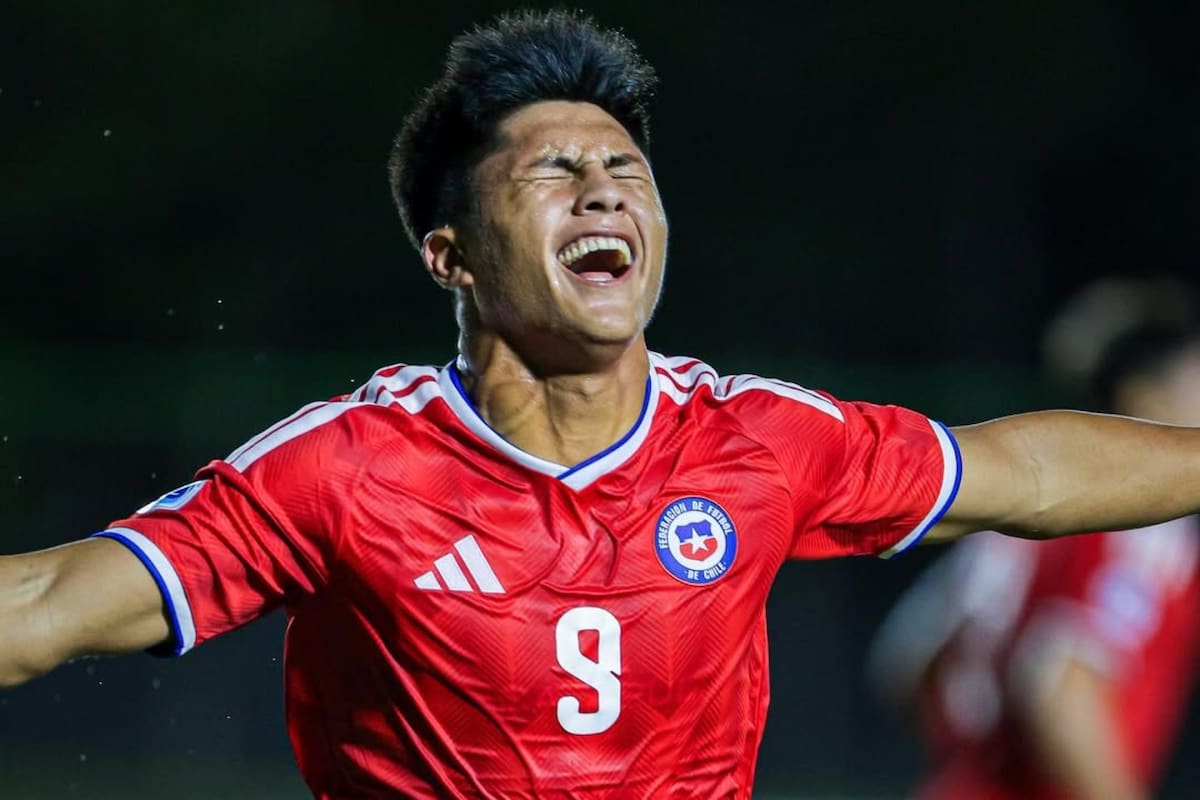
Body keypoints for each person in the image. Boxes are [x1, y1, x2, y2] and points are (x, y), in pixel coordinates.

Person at [2, 10, 1200, 798]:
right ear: (451, 254)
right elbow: (52, 600)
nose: (605, 192)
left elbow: (1025, 474)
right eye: (555, 172)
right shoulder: (348, 469)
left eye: (627, 168)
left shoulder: (756, 443)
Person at [868, 276, 1200, 800]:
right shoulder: (1137, 525)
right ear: (1146, 394)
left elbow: (906, 663)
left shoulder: (1006, 532)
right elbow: (1059, 678)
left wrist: (979, 751)